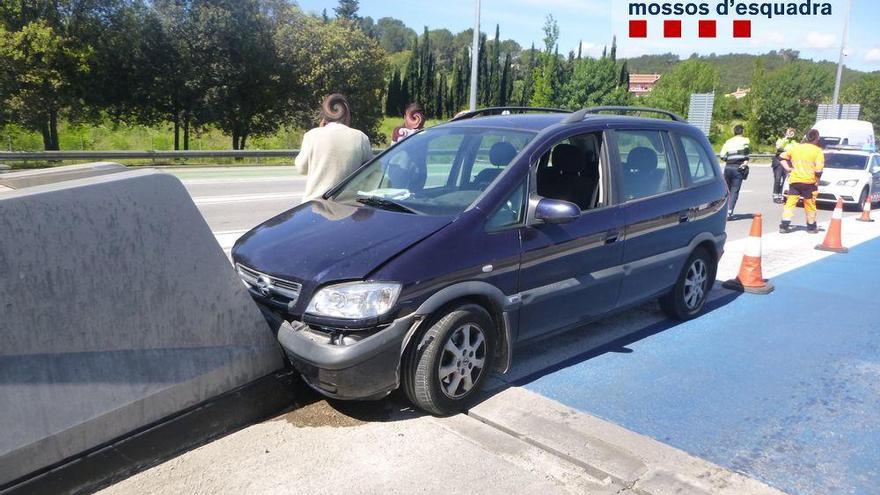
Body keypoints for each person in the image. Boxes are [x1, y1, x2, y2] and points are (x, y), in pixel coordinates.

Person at [295, 94, 373, 203]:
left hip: (314, 205)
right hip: (347, 207)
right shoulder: (360, 137)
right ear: (347, 114)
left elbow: (301, 168)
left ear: (324, 116)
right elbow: (371, 172)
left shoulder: (312, 135)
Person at [779, 129, 824, 234]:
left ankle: (784, 226)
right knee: (810, 205)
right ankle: (811, 227)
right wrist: (817, 181)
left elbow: (780, 157)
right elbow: (818, 170)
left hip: (795, 181)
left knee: (790, 204)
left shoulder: (796, 148)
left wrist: (788, 168)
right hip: (809, 183)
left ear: (806, 137)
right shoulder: (817, 151)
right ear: (817, 138)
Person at [719, 125, 751, 220]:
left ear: (734, 132)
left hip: (728, 167)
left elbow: (722, 155)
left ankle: (721, 210)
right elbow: (746, 153)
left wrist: (729, 160)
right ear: (742, 132)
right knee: (734, 191)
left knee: (726, 190)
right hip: (738, 168)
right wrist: (744, 162)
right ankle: (729, 212)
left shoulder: (728, 141)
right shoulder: (745, 140)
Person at [772, 127, 798, 204]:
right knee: (777, 179)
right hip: (778, 161)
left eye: (792, 133)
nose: (790, 134)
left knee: (785, 179)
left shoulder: (794, 142)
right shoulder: (780, 140)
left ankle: (781, 194)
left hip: (788, 162)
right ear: (785, 133)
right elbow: (779, 147)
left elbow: (797, 150)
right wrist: (786, 138)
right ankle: (775, 195)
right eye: (788, 132)